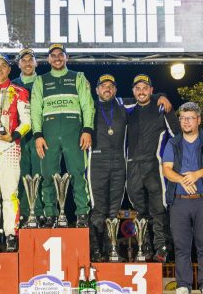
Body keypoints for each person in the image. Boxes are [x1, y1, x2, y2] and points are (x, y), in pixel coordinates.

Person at [162, 102, 203, 294]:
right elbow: (166, 169)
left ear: (198, 120)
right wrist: (183, 180)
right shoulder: (173, 143)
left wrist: (195, 175)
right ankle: (183, 287)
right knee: (181, 247)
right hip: (179, 202)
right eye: (183, 118)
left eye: (190, 118)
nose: (186, 121)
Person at [31, 44, 95, 228]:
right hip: (49, 132)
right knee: (48, 174)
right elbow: (35, 109)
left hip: (73, 131)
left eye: (61, 55)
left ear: (67, 57)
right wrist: (37, 135)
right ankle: (50, 214)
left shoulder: (78, 77)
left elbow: (87, 105)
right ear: (48, 59)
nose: (57, 58)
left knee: (77, 173)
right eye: (53, 55)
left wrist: (87, 129)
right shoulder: (41, 80)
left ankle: (82, 213)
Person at [0, 54, 31, 252]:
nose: (0, 70)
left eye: (3, 66)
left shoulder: (19, 91)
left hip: (10, 147)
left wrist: (14, 136)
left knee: (10, 194)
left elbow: (27, 121)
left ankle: (11, 235)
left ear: (10, 69)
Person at [125, 74, 179, 262]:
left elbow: (177, 135)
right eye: (138, 88)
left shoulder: (161, 107)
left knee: (158, 208)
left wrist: (161, 96)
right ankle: (144, 246)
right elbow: (108, 99)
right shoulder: (127, 108)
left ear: (151, 90)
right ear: (133, 92)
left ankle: (162, 247)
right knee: (140, 210)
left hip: (155, 165)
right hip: (132, 165)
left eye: (145, 88)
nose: (141, 91)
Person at [88, 74, 128, 262]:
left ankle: (112, 249)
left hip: (119, 163)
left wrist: (159, 95)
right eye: (103, 86)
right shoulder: (89, 107)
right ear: (97, 90)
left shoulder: (123, 106)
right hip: (97, 162)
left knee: (114, 210)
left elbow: (144, 98)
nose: (107, 89)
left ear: (115, 90)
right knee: (98, 209)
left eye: (111, 86)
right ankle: (95, 251)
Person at [12, 48, 44, 227]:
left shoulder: (44, 82)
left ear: (36, 63)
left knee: (41, 174)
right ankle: (24, 214)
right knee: (22, 175)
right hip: (20, 137)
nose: (27, 63)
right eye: (23, 61)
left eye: (30, 60)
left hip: (40, 135)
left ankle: (40, 214)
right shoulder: (13, 84)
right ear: (19, 64)